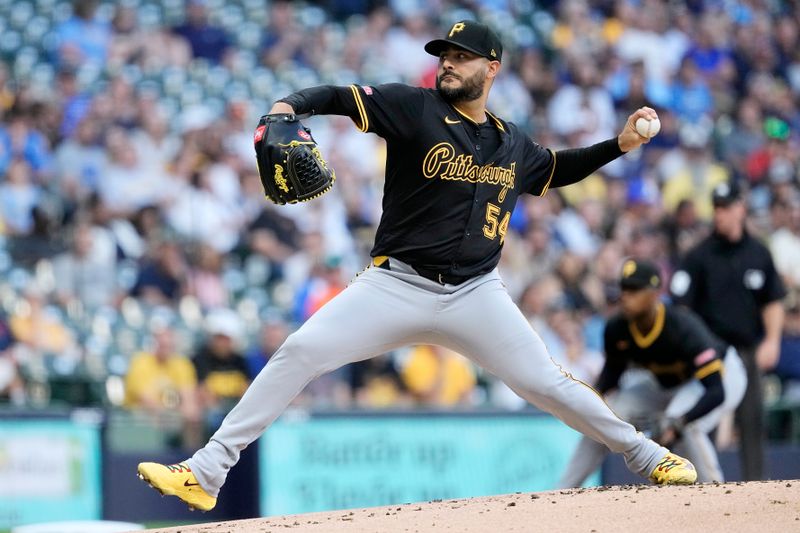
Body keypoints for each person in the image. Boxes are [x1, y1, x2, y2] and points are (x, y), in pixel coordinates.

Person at [138, 20, 697, 512]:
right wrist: (288, 106)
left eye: (460, 57)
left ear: (492, 68)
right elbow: (338, 94)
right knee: (301, 351)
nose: (447, 63)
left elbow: (555, 169)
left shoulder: (512, 142)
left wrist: (618, 145)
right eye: (443, 56)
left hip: (477, 294)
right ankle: (205, 473)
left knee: (548, 383)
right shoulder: (414, 106)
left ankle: (647, 455)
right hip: (395, 284)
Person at [559, 259, 747, 486]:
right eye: (624, 289)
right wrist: (588, 400)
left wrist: (678, 423)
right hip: (663, 383)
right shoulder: (617, 328)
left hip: (721, 376)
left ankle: (713, 489)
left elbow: (716, 391)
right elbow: (611, 377)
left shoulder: (682, 327)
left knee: (687, 424)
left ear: (655, 293)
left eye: (635, 289)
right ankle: (563, 490)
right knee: (604, 418)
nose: (626, 296)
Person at [670, 181, 786, 480]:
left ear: (740, 209)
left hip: (746, 352)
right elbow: (681, 307)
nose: (719, 214)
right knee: (699, 421)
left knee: (752, 421)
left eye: (725, 207)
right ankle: (697, 487)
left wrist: (772, 340)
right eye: (716, 208)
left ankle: (755, 489)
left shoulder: (759, 253)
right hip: (709, 353)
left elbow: (773, 301)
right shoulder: (699, 256)